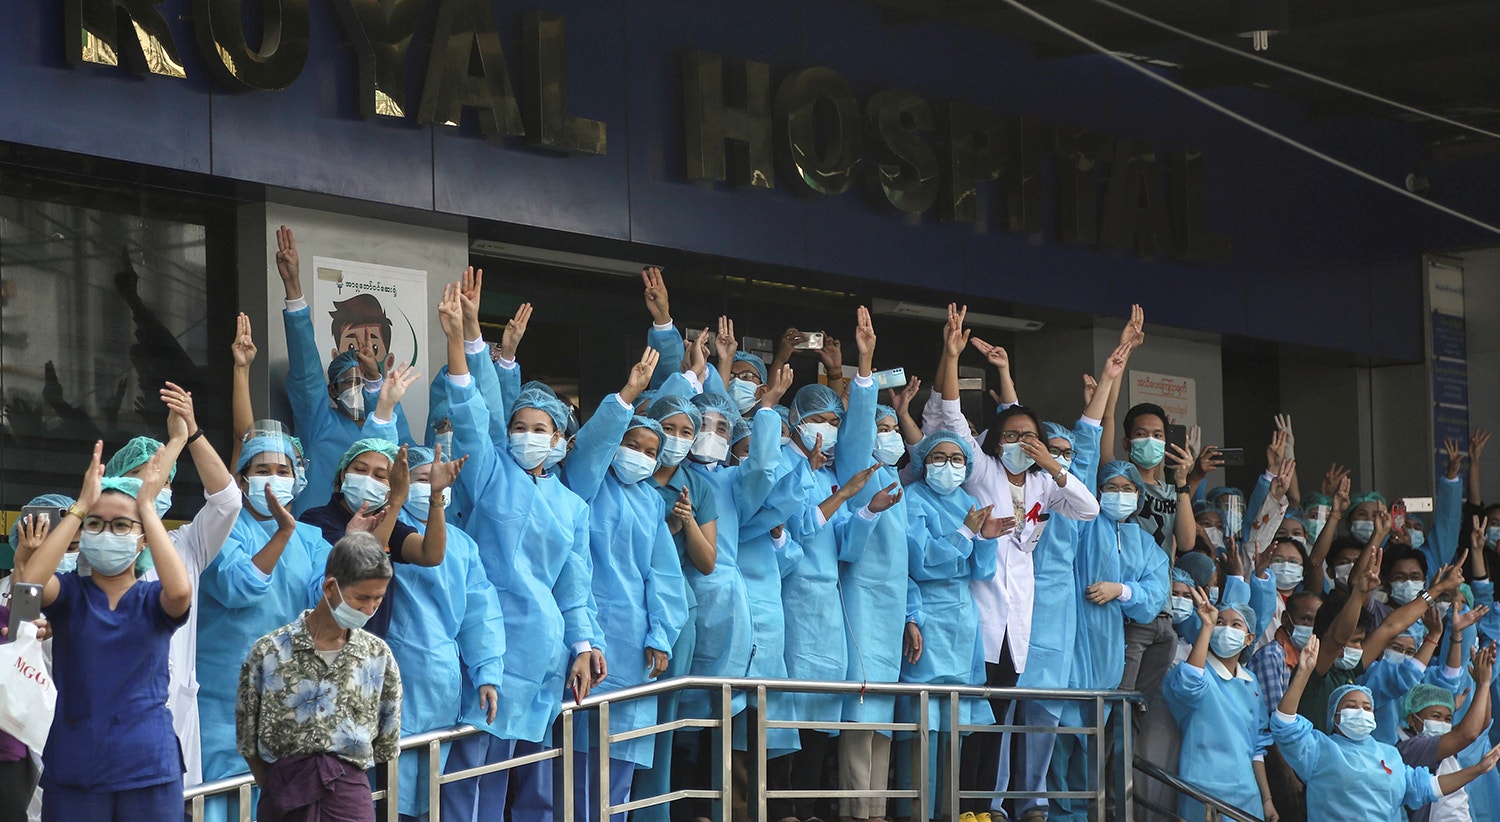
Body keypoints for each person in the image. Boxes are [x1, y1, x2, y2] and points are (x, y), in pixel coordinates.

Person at [435, 283, 602, 822]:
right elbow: (468, 411)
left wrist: (582, 645)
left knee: (525, 781)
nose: (527, 436)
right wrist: (460, 341)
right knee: (468, 772)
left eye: (540, 429)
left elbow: (575, 587)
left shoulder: (573, 507)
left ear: (558, 441)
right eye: (518, 426)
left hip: (540, 657)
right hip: (484, 643)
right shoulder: (487, 473)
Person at [927, 304, 1101, 819]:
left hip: (1017, 623)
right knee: (974, 722)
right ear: (996, 441)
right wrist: (952, 356)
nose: (1020, 443)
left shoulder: (1047, 483)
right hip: (979, 615)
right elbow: (955, 419)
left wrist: (1051, 462)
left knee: (999, 719)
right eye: (1012, 436)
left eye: (1029, 436)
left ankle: (984, 808)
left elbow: (1089, 509)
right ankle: (960, 808)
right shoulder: (981, 469)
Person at [17, 441, 191, 821]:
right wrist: (80, 508)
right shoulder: (70, 595)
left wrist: (146, 506)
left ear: (143, 538)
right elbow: (29, 587)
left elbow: (180, 591)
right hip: (76, 767)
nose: (106, 532)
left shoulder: (152, 600)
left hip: (147, 767)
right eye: (95, 524)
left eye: (121, 525)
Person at [561, 347, 690, 822]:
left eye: (651, 452)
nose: (640, 456)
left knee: (620, 765)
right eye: (632, 444)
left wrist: (661, 634)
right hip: (588, 637)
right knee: (576, 761)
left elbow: (664, 576)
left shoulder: (652, 503)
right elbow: (592, 449)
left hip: (634, 645)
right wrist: (629, 394)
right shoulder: (586, 485)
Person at [103, 383, 241, 788]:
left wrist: (192, 433)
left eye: (163, 481)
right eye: (142, 478)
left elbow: (228, 501)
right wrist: (175, 440)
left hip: (175, 714)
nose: (155, 488)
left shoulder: (185, 548)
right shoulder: (96, 550)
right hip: (112, 715)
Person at [195, 424, 334, 797]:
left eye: (283, 471)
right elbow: (238, 587)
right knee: (223, 798)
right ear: (241, 480)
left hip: (288, 697)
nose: (273, 479)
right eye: (261, 471)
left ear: (298, 478)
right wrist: (282, 532)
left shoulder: (311, 539)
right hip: (224, 702)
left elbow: (328, 602)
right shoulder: (219, 529)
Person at [235, 532, 404, 822]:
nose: (369, 609)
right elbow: (247, 737)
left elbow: (386, 741)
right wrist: (281, 782)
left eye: (377, 599)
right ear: (330, 587)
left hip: (349, 799)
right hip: (283, 795)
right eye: (361, 598)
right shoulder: (269, 652)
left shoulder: (377, 656)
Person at [386, 445, 503, 822]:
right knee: (387, 789)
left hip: (441, 678)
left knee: (430, 795)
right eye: (420, 479)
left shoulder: (463, 545)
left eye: (434, 481)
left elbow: (479, 613)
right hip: (393, 669)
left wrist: (487, 673)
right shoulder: (389, 529)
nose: (429, 486)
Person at [1274, 635, 1500, 821]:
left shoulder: (1389, 754)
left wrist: (1478, 769)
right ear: (1335, 716)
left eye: (1366, 707)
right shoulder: (1320, 748)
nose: (1360, 711)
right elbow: (1285, 724)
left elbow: (1428, 787)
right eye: (1351, 706)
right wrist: (1303, 672)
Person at [899, 430, 1005, 819]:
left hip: (962, 618)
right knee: (923, 724)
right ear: (923, 463)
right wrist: (964, 533)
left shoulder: (969, 501)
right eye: (939, 457)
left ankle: (948, 813)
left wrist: (987, 540)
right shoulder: (913, 500)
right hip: (927, 612)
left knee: (956, 726)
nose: (948, 466)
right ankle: (917, 813)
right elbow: (919, 560)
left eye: (957, 459)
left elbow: (981, 569)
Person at [272, 226, 413, 514]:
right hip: (319, 535)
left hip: (373, 537)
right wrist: (294, 290)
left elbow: (394, 430)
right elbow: (307, 371)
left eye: (364, 381)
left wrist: (375, 377)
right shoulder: (320, 423)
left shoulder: (388, 429)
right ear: (332, 391)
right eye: (348, 382)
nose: (357, 387)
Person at [631, 392, 718, 822]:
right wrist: (665, 525)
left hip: (676, 609)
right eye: (669, 429)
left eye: (687, 432)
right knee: (626, 708)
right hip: (628, 606)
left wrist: (685, 522)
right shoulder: (632, 474)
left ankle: (653, 812)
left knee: (664, 715)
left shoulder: (697, 486)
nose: (677, 439)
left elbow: (706, 562)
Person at [298, 436, 458, 638]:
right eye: (360, 470)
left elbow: (431, 555)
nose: (368, 479)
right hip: (325, 641)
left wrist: (436, 496)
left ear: (391, 487)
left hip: (369, 649)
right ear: (343, 474)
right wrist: (398, 500)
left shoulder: (388, 523)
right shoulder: (317, 519)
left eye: (380, 475)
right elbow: (362, 565)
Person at [1399, 650, 1496, 822]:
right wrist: (1483, 684)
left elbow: (1481, 724)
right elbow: (1467, 734)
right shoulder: (1409, 748)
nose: (1442, 723)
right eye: (1435, 716)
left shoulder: (1439, 740)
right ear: (1412, 719)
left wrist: (1483, 684)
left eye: (1448, 718)